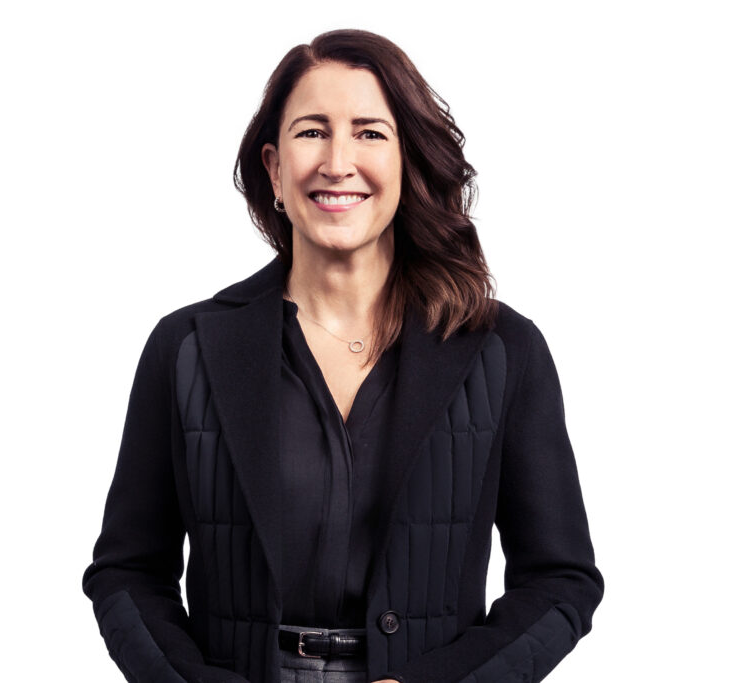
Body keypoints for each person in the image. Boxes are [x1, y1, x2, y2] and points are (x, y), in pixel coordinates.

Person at [82, 28, 603, 683]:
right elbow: (127, 571)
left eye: (369, 132)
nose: (337, 161)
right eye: (311, 131)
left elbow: (560, 581)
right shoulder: (186, 349)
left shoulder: (502, 350)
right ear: (273, 168)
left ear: (407, 160)